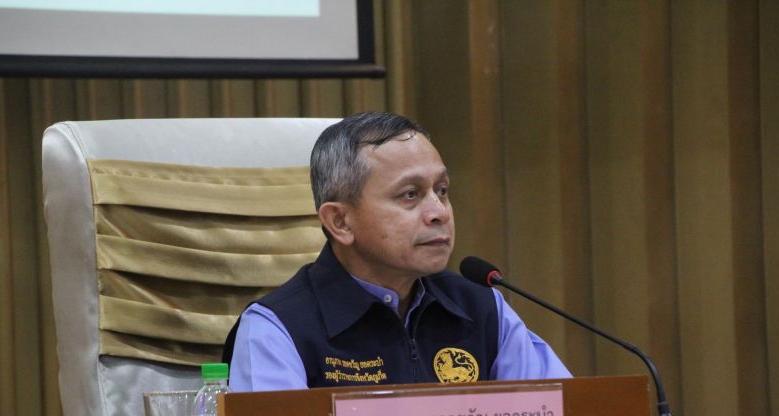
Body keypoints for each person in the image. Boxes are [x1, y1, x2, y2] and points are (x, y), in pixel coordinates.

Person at [223, 111, 571, 391]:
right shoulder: (276, 330)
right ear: (340, 221)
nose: (439, 211)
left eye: (443, 190)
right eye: (410, 194)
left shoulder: (481, 307)